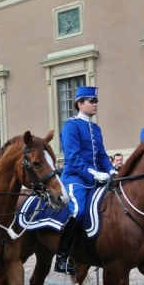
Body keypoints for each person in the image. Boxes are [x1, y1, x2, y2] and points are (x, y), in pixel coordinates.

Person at [54, 86, 115, 275]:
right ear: (80, 104)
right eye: (91, 101)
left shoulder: (96, 128)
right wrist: (94, 174)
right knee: (79, 211)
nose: (95, 104)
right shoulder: (71, 125)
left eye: (96, 101)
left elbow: (102, 155)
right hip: (75, 178)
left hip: (96, 179)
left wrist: (111, 170)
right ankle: (62, 256)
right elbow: (73, 157)